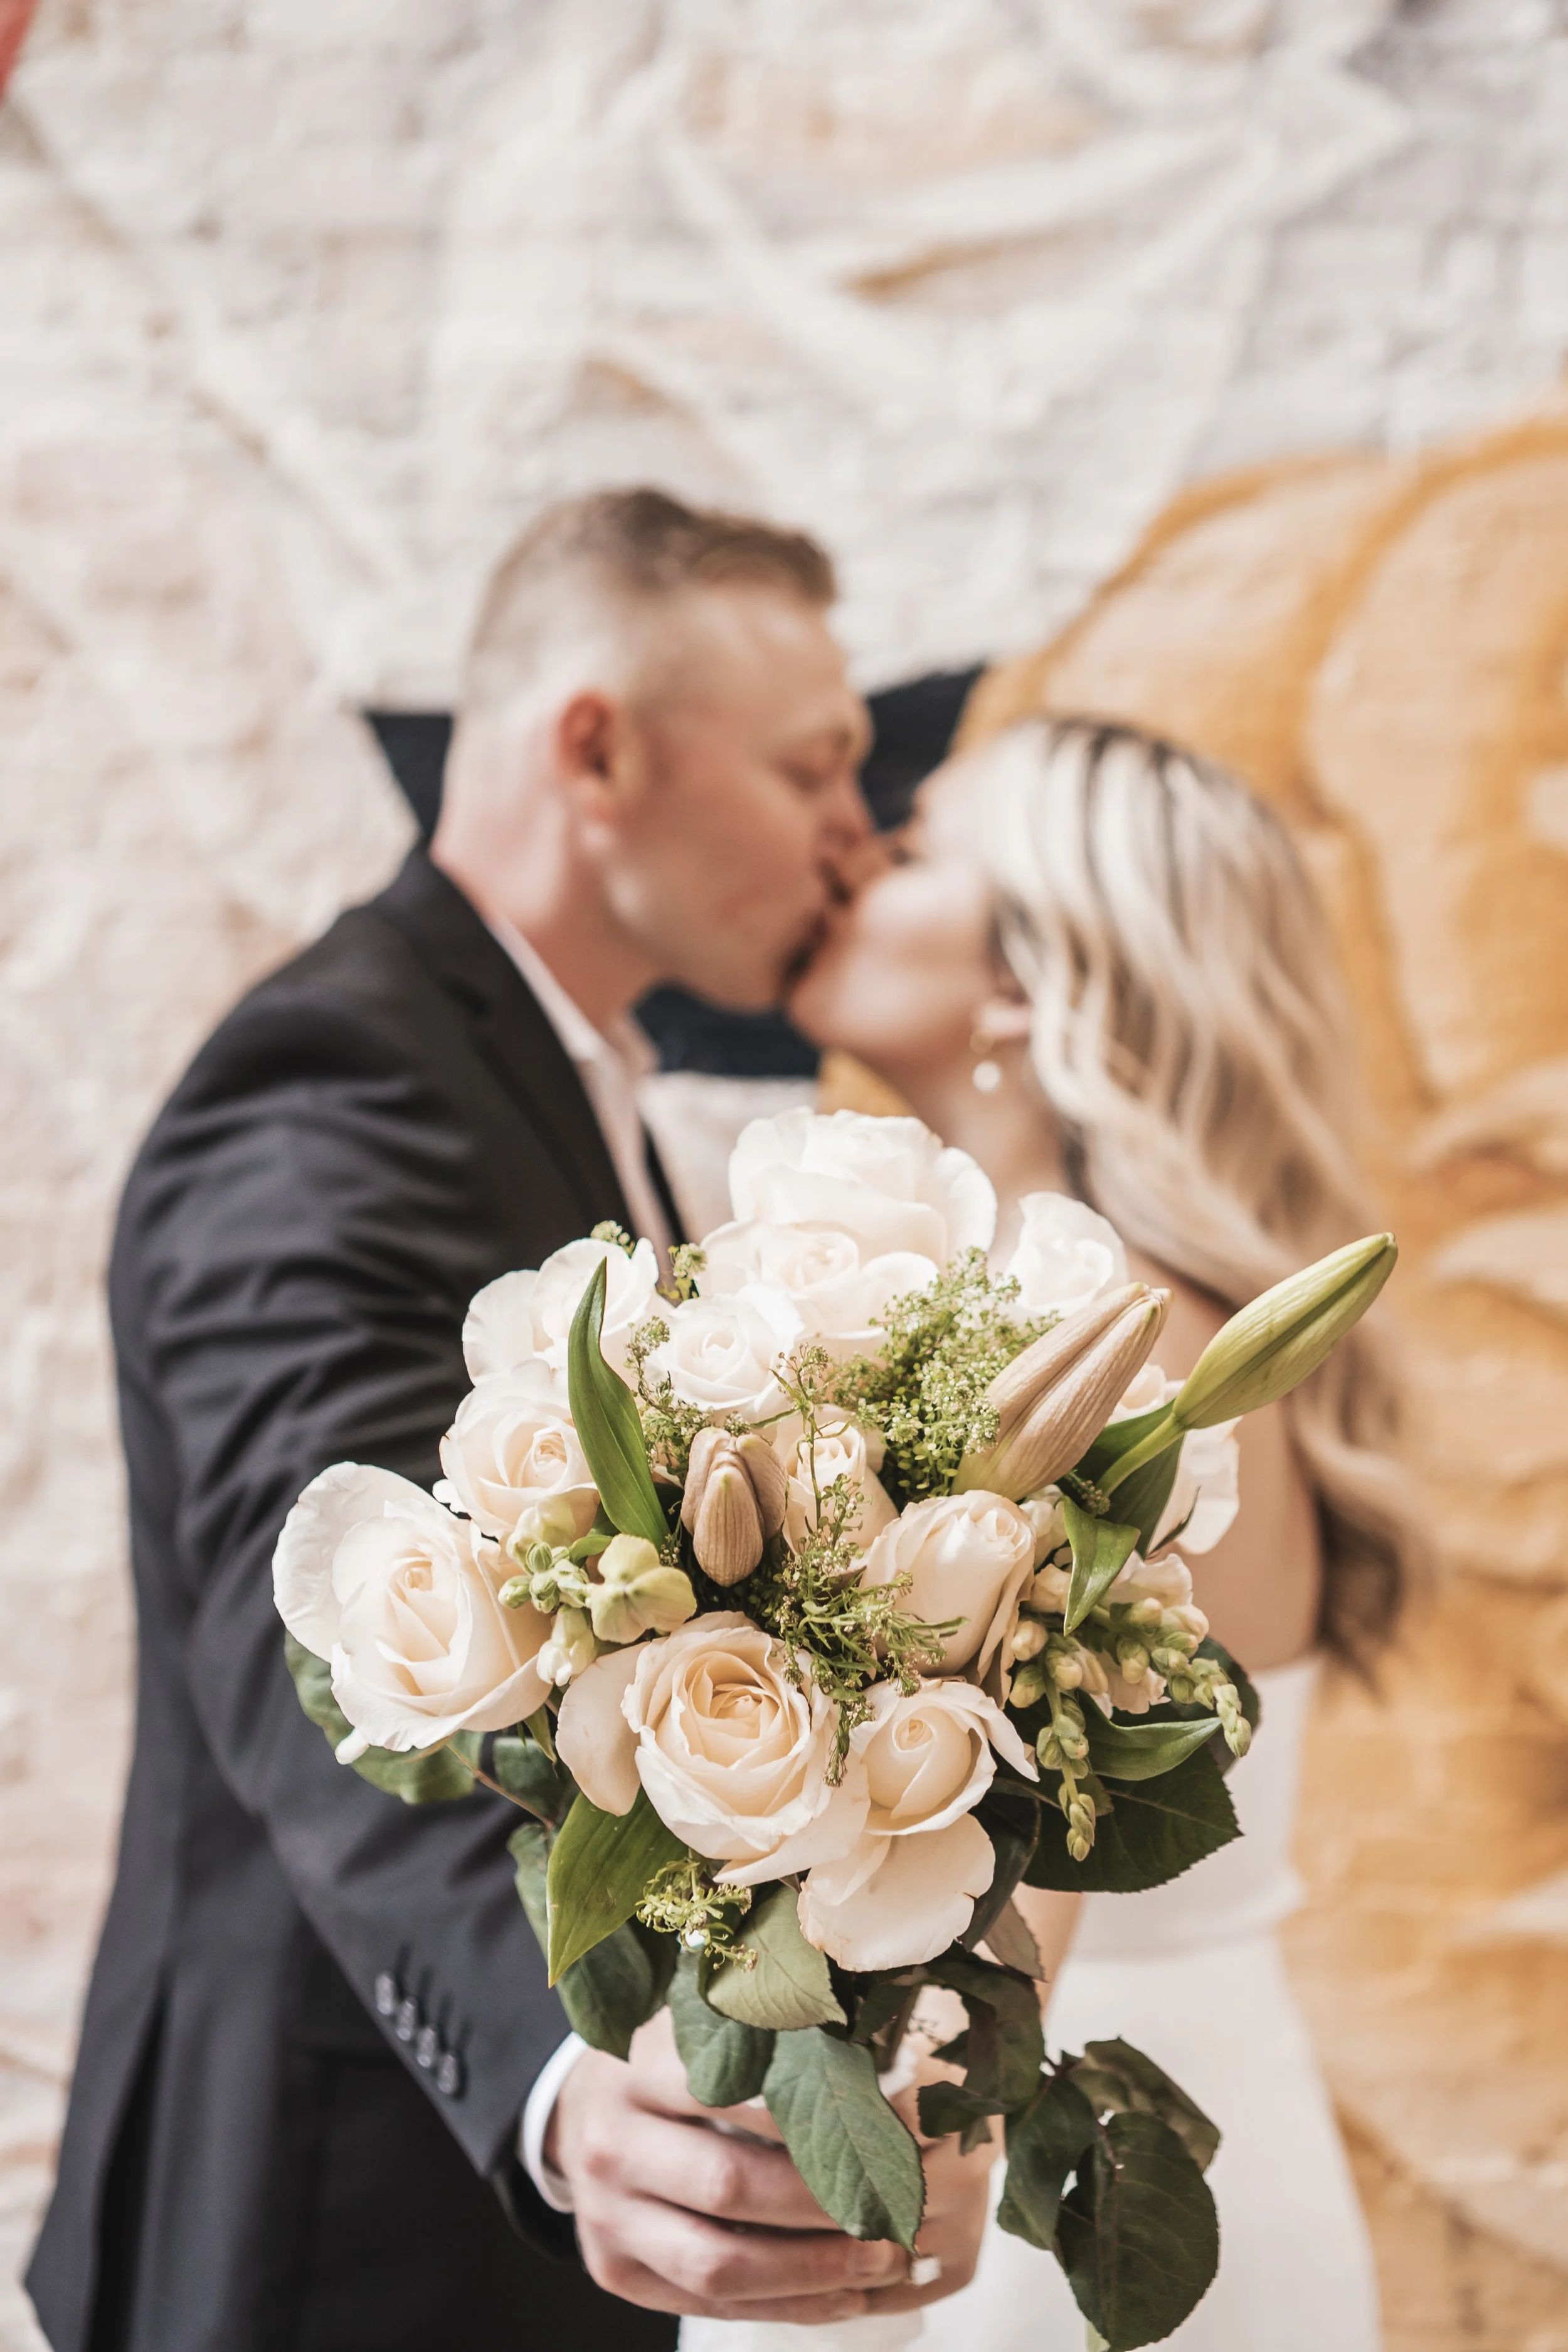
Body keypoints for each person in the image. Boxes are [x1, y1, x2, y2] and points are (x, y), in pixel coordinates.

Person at [27, 488, 992, 2352]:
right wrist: (576, 2063)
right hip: (324, 2226)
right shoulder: (333, 1087)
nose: (850, 835)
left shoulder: (556, 1077)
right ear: (598, 747)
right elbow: (317, 1595)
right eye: (811, 766)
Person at [784, 715, 1424, 2350]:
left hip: (1055, 2208)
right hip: (1195, 2119)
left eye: (913, 845)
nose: (854, 854)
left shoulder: (1102, 1362)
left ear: (1018, 982)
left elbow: (999, 1913)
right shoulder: (1174, 1331)